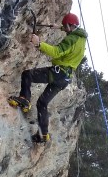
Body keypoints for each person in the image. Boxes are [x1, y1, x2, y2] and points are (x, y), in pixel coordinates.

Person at [8, 12, 87, 144]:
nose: (65, 29)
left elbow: (56, 52)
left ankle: (24, 99)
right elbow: (71, 32)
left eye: (65, 26)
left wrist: (39, 44)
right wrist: (59, 27)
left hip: (58, 72)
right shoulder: (81, 38)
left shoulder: (71, 39)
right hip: (65, 79)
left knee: (27, 74)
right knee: (42, 103)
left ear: (70, 25)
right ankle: (43, 134)